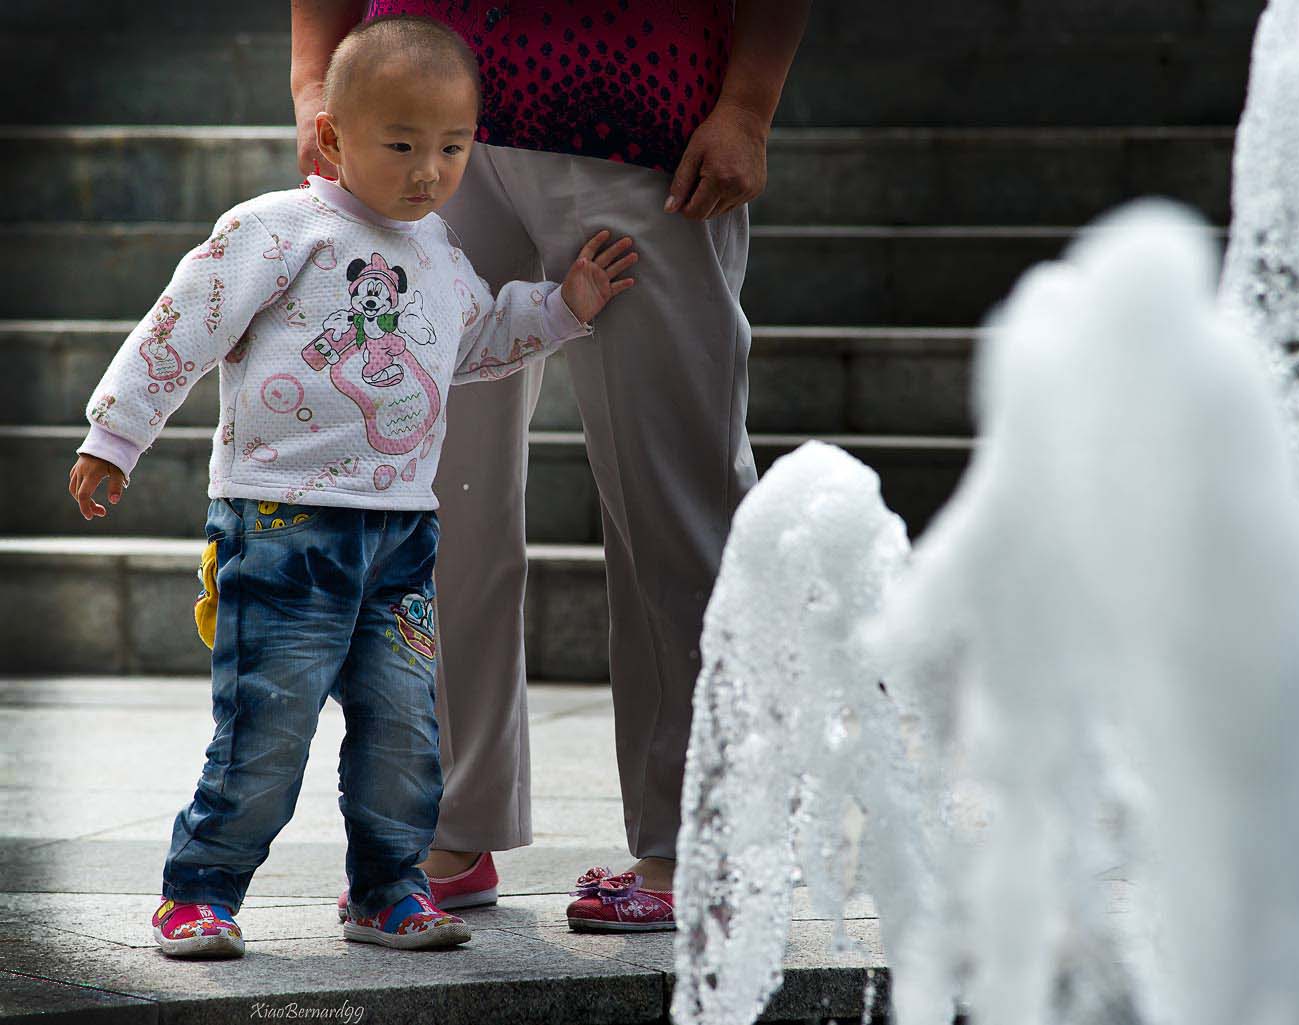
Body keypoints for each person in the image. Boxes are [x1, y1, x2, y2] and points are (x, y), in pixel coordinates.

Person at [67, 14, 637, 958]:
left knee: (405, 735)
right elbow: (182, 327)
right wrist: (115, 435)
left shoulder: (444, 255)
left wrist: (562, 309)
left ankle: (388, 887)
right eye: (403, 145)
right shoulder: (277, 230)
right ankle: (198, 891)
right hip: (282, 525)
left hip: (401, 539)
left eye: (452, 147)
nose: (430, 172)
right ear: (332, 137)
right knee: (267, 730)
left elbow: (479, 344)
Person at [291, 0, 811, 932]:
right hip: (424, 120)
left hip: (642, 113)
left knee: (675, 498)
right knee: (434, 492)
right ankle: (449, 820)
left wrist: (751, 105)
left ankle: (696, 839)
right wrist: (311, 85)